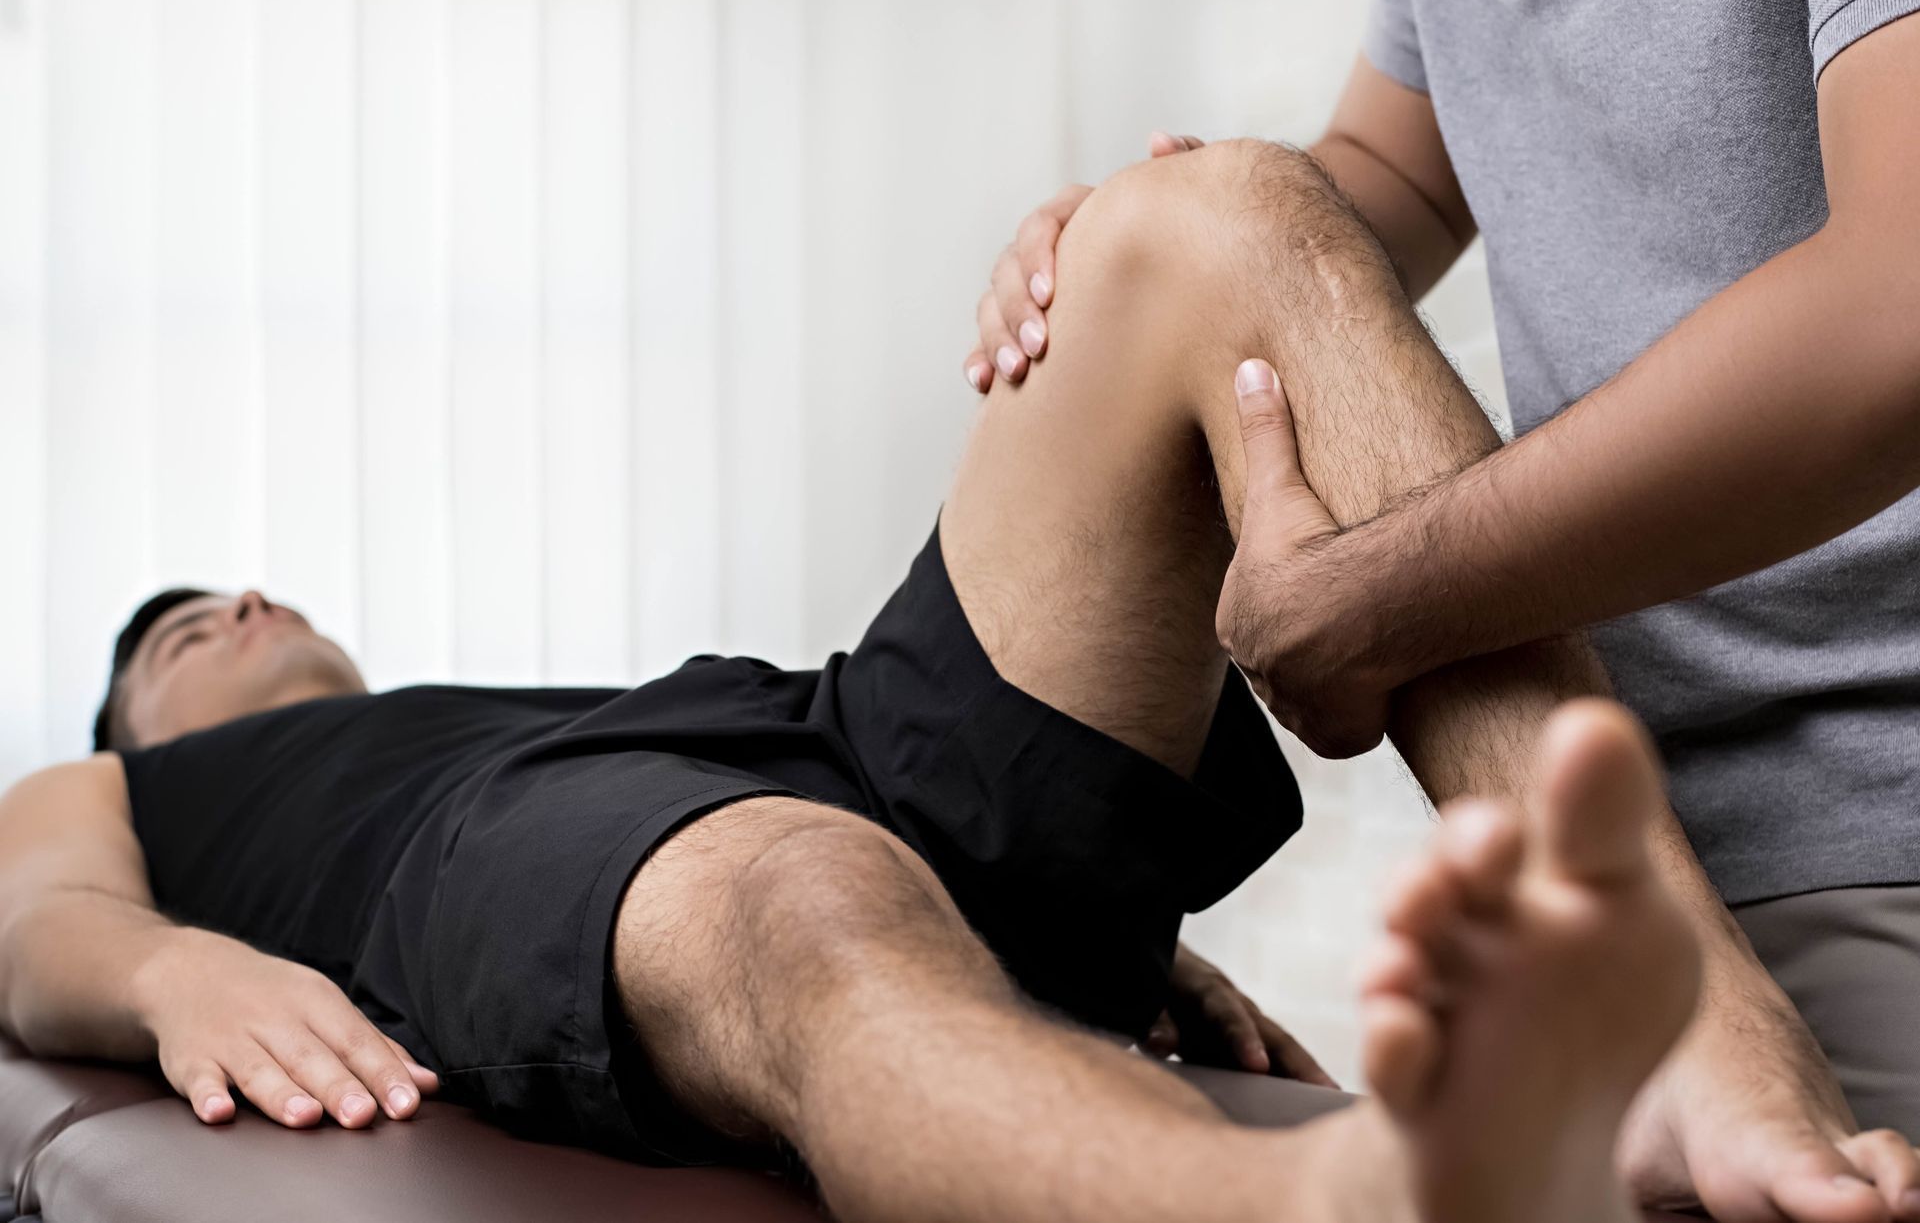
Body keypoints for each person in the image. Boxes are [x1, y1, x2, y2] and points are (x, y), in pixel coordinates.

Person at [0, 136, 1785, 1220]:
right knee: (796, 886)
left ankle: (1696, 1024)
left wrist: (1089, 928)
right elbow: (31, 917)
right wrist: (169, 973)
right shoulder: (146, 796)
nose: (231, 606)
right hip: (593, 848)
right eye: (175, 635)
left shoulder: (487, 708)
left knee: (1211, 216)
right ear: (139, 724)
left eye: (245, 591)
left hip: (814, 724)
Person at [967, 0, 1920, 1218]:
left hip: (1869, 827)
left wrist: (1388, 595)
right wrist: (1177, 245)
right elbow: (1402, 164)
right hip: (1621, 847)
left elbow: (1898, 308)